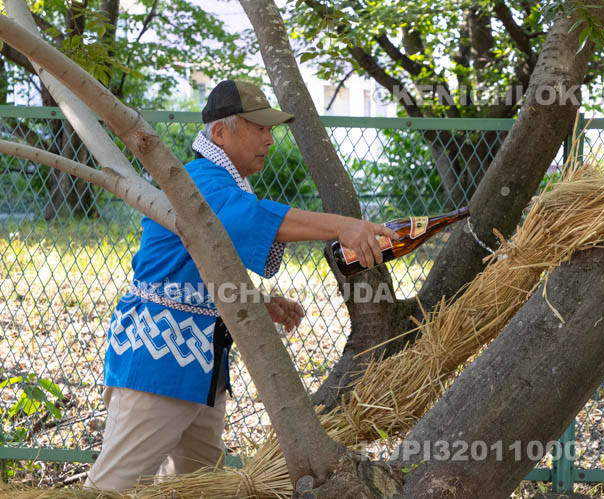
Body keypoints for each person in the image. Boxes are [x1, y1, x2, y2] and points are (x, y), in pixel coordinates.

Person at [85, 79, 397, 491]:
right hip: (160, 361)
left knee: (200, 486)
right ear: (220, 132)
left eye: (271, 129)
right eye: (260, 128)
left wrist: (255, 301)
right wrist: (343, 226)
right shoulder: (198, 181)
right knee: (113, 485)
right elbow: (249, 218)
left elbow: (201, 266)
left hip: (198, 363)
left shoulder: (219, 183)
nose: (270, 138)